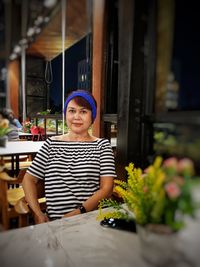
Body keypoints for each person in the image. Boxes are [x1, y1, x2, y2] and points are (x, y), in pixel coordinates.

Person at [22, 90, 116, 224]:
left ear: (92, 116)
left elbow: (107, 189)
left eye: (83, 112)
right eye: (72, 111)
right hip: (55, 224)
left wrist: (79, 212)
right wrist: (37, 213)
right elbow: (28, 180)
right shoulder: (51, 144)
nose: (76, 117)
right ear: (66, 114)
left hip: (90, 221)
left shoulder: (102, 146)